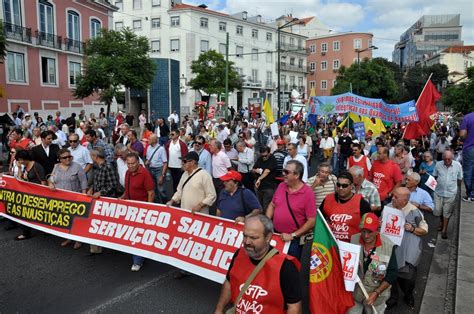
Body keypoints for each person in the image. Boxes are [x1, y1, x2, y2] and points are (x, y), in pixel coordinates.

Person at [214, 214, 302, 314]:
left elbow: (294, 308)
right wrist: (219, 309)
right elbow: (229, 282)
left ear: (268, 237)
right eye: (245, 236)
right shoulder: (239, 254)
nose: (247, 242)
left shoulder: (286, 267)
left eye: (253, 237)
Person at [167, 151, 216, 279]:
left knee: (198, 242)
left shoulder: (204, 175)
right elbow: (179, 191)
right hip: (185, 215)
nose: (182, 164)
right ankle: (185, 269)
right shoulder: (184, 175)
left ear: (193, 162)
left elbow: (212, 195)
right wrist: (172, 200)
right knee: (185, 241)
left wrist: (200, 205)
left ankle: (201, 267)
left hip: (199, 216)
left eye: (184, 161)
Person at [386, 187, 428, 310]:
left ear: (404, 200)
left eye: (395, 197)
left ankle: (408, 295)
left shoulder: (414, 211)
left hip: (407, 250)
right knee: (390, 275)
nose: (392, 198)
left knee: (407, 278)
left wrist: (413, 229)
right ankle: (393, 298)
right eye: (393, 195)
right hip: (391, 248)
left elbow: (425, 230)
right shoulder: (389, 206)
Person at [349, 213, 398, 314]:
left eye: (370, 232)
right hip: (355, 293)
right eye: (363, 231)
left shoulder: (388, 246)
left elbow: (392, 273)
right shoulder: (353, 239)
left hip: (377, 297)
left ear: (377, 231)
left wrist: (377, 292)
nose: (366, 236)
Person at [266, 160, 316, 259]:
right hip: (275, 234)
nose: (283, 174)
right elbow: (272, 205)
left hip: (293, 241)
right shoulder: (281, 186)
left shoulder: (308, 193)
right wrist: (267, 223)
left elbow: (311, 221)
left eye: (287, 172)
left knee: (289, 267)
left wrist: (293, 235)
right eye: (284, 171)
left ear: (297, 175)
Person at [120, 153, 155, 272]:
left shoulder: (145, 173)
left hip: (141, 209)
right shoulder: (128, 173)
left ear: (138, 163)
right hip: (130, 209)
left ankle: (137, 261)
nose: (130, 166)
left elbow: (151, 192)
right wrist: (123, 197)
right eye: (128, 164)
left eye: (132, 163)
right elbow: (127, 189)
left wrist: (148, 209)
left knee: (138, 234)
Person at [49, 148, 88, 249]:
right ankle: (68, 237)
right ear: (60, 159)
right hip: (61, 200)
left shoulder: (77, 166)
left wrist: (83, 196)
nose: (68, 159)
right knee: (66, 219)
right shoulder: (56, 167)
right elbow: (51, 179)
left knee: (76, 220)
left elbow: (83, 181)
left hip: (75, 198)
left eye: (69, 156)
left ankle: (78, 240)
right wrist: (50, 184)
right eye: (65, 157)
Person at [320, 171, 371, 242]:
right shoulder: (328, 199)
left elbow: (369, 224)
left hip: (352, 245)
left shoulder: (361, 203)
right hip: (330, 243)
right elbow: (318, 219)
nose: (340, 188)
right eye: (338, 185)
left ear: (351, 186)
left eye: (344, 186)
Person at [87, 148, 120, 255]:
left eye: (91, 156)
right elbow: (97, 182)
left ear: (95, 157)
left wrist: (100, 192)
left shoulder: (108, 167)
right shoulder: (98, 167)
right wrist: (92, 188)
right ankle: (95, 248)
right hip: (98, 200)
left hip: (107, 201)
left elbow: (113, 185)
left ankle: (114, 246)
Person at [13, 149, 47, 240]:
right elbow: (20, 179)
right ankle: (26, 233)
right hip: (28, 194)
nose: (20, 162)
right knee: (24, 212)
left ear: (26, 158)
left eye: (21, 159)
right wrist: (20, 168)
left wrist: (42, 195)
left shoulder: (37, 166)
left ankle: (46, 229)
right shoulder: (24, 166)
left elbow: (43, 181)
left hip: (38, 194)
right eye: (18, 160)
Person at [432, 150, 463, 239]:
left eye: (449, 159)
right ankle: (442, 222)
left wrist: (453, 188)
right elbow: (435, 176)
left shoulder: (457, 165)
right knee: (438, 211)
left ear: (452, 158)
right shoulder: (438, 164)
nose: (447, 161)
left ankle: (444, 230)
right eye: (445, 159)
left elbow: (460, 178)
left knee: (447, 212)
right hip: (439, 192)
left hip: (450, 193)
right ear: (443, 158)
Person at [145, 134, 168, 203]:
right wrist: (147, 161)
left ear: (154, 140)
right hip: (150, 169)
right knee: (153, 189)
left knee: (161, 190)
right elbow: (148, 159)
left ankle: (166, 203)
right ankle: (157, 204)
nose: (148, 140)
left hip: (159, 170)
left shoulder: (161, 149)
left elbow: (165, 163)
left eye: (149, 139)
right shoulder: (149, 147)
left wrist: (162, 175)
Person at [252, 146, 277, 211]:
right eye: (262, 155)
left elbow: (267, 171)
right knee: (259, 205)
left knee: (267, 206)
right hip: (259, 186)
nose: (264, 157)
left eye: (265, 155)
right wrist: (256, 170)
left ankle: (267, 220)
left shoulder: (272, 159)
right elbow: (253, 168)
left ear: (269, 153)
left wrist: (259, 179)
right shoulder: (260, 158)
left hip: (269, 186)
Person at [460, 112, 474, 202]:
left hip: (470, 148)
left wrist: (461, 139)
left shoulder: (467, 117)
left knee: (468, 171)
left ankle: (470, 194)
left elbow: (463, 135)